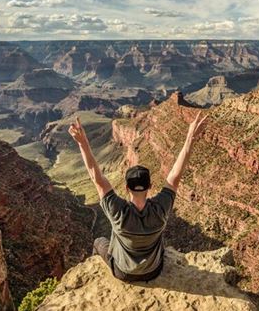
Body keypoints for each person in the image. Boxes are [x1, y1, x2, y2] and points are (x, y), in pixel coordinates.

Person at [68, 111, 208, 282]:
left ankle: (93, 276)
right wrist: (190, 139)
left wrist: (83, 143)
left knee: (99, 241)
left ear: (126, 188)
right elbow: (174, 177)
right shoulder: (161, 208)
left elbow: (96, 177)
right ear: (150, 186)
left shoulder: (117, 211)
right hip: (153, 271)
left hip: (123, 273)